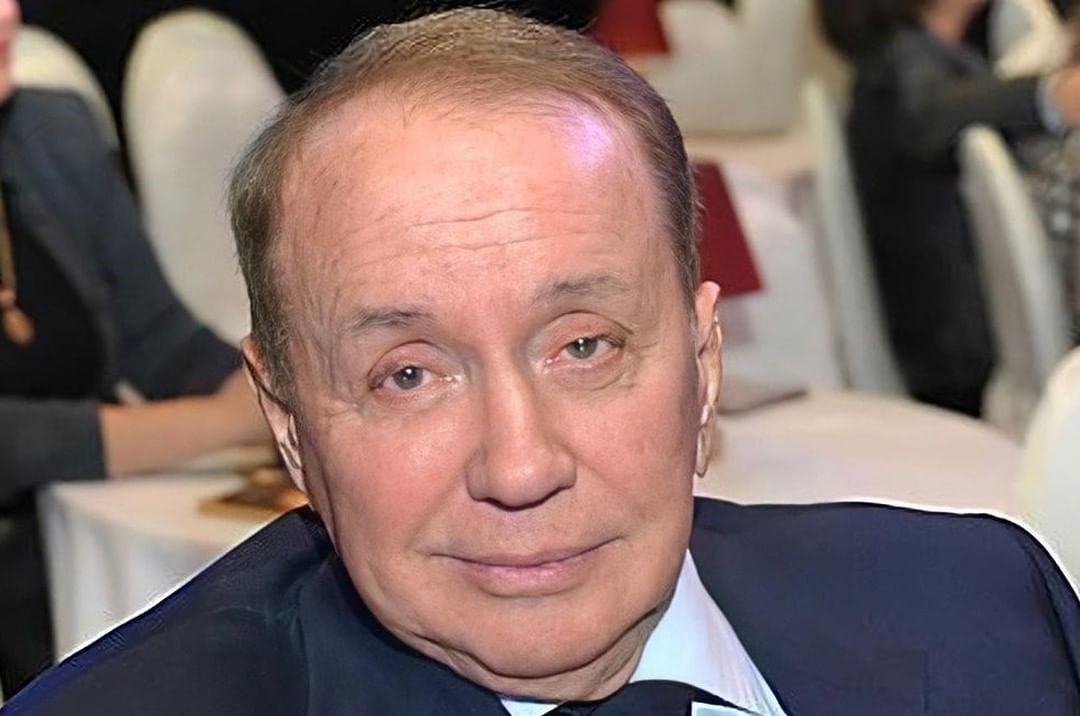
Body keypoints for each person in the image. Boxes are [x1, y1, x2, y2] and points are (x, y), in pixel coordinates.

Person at [7, 9, 1080, 715]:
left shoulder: (985, 605)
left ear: (705, 364)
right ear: (289, 426)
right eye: (408, 374)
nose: (520, 466)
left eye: (583, 346)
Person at [0, 0, 269, 696]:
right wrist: (224, 422)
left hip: (62, 552)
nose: (7, 16)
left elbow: (159, 342)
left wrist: (281, 386)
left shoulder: (52, 127)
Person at [817, 0, 1080, 416]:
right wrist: (1052, 96)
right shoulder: (900, 64)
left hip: (966, 345)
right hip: (956, 351)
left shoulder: (936, 54)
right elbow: (929, 117)